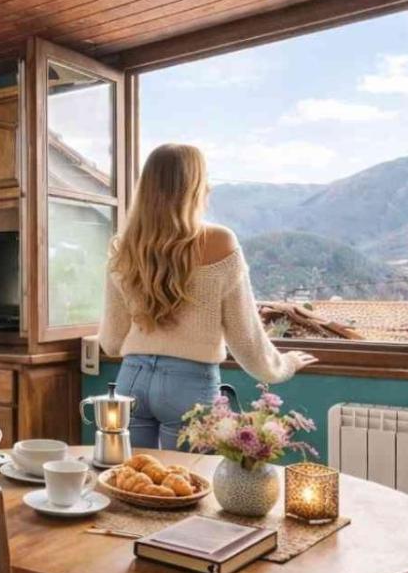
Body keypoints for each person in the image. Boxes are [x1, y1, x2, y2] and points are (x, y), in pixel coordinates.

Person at [97, 143, 316, 451]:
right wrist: (283, 365)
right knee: (189, 479)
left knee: (131, 475)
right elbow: (245, 336)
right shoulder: (220, 241)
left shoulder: (124, 247)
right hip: (190, 385)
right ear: (196, 187)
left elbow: (111, 342)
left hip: (131, 378)